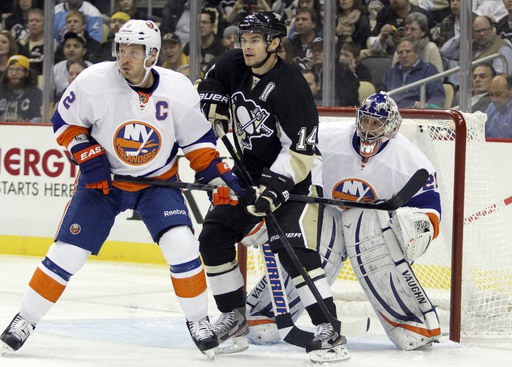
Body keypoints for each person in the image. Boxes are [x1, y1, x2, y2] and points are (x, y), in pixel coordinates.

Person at [0, 19, 246, 358]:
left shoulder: (178, 88)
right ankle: (24, 319)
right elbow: (64, 123)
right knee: (66, 254)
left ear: (153, 54)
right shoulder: (94, 81)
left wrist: (221, 179)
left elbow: (199, 145)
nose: (124, 57)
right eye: (121, 49)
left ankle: (198, 320)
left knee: (183, 246)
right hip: (104, 183)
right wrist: (87, 153)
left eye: (134, 51)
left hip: (157, 183)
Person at [196, 12, 348, 364]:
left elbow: (301, 149)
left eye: (255, 40)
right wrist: (213, 102)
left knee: (291, 248)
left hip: (296, 175)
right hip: (247, 170)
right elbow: (209, 82)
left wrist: (272, 189)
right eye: (243, 39)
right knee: (213, 238)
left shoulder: (291, 86)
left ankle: (330, 331)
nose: (246, 46)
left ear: (275, 43)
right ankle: (234, 320)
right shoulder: (234, 63)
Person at [243, 92, 442, 352]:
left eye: (376, 123)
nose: (368, 128)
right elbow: (290, 155)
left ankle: (411, 321)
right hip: (326, 213)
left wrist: (412, 228)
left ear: (391, 126)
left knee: (368, 226)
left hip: (372, 226)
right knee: (309, 245)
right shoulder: (327, 137)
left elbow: (431, 212)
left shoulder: (410, 161)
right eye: (366, 121)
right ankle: (266, 312)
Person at [383, 36, 445, 108]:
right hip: (393, 114)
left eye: (408, 51)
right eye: (400, 52)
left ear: (417, 53)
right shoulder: (391, 73)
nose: (404, 55)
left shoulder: (429, 70)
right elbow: (382, 97)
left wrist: (426, 106)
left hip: (416, 114)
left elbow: (438, 96)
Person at [0, 54, 42, 122]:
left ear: (26, 73)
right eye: (11, 69)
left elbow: (38, 119)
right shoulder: (1, 92)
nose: (14, 73)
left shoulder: (36, 94)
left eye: (18, 69)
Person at [18, 8, 45, 75]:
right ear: (27, 24)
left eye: (37, 21)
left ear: (44, 24)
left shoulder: (51, 46)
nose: (34, 23)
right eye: (31, 21)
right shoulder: (20, 45)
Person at [484, 73, 512, 138]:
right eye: (491, 95)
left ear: (511, 91)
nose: (494, 99)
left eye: (498, 94)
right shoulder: (491, 107)